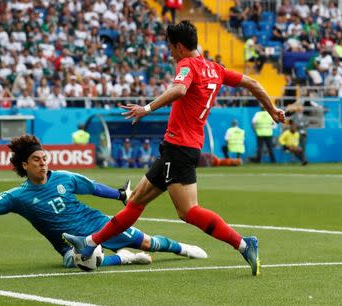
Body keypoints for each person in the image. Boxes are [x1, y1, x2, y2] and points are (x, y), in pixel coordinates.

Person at [64, 20, 286, 276]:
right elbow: (254, 84)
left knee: (188, 211)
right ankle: (90, 242)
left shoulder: (187, 65)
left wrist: (146, 109)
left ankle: (245, 244)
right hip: (176, 147)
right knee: (135, 201)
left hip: (180, 148)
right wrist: (273, 110)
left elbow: (180, 89)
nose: (169, 52)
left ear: (180, 46)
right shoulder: (216, 69)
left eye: (170, 47)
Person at [0, 135, 207, 269]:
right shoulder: (17, 197)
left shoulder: (65, 178)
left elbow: (93, 188)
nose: (43, 164)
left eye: (45, 158)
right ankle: (123, 258)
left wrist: (120, 195)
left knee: (147, 242)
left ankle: (182, 248)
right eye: (36, 160)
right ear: (24, 165)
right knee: (79, 263)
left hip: (97, 224)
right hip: (68, 244)